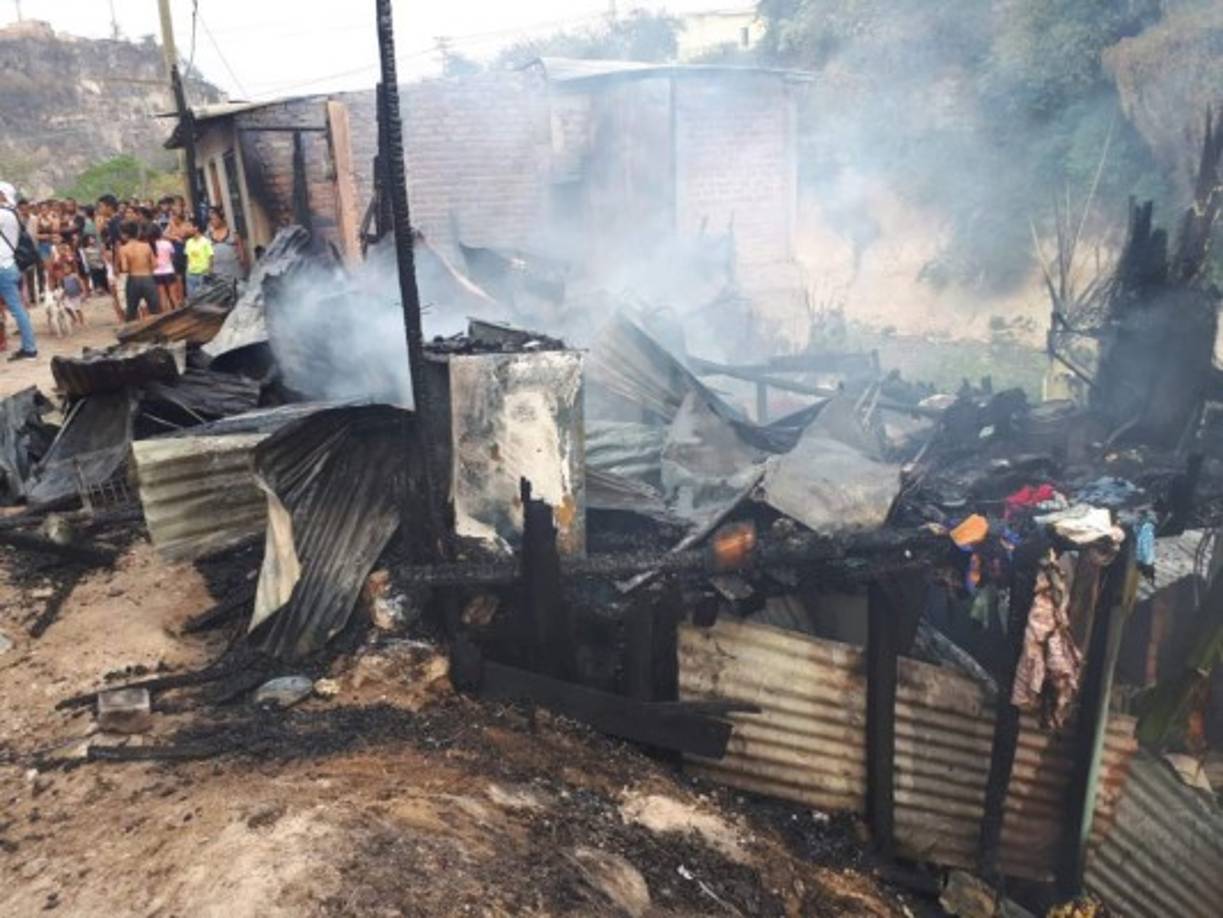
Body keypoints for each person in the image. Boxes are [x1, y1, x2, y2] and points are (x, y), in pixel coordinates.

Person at [0, 181, 38, 360]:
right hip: (9, 266)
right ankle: (29, 348)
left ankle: (29, 349)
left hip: (3, 267)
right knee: (17, 308)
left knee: (16, 309)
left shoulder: (3, 214)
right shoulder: (12, 214)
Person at [118, 220, 158, 321]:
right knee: (154, 310)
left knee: (131, 310)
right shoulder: (146, 246)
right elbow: (155, 264)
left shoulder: (123, 249)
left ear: (125, 235)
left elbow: (125, 268)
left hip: (133, 279)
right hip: (148, 278)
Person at [207, 208, 246, 281]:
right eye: (211, 219)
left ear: (221, 218)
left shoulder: (231, 232)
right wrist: (209, 270)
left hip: (234, 270)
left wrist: (242, 258)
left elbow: (240, 246)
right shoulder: (208, 236)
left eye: (215, 219)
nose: (213, 221)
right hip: (218, 272)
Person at [150, 224, 178, 311]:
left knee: (162, 296)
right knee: (173, 295)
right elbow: (172, 256)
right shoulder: (167, 243)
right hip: (169, 270)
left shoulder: (151, 246)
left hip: (157, 273)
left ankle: (165, 315)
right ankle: (177, 312)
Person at [183, 217, 213, 298]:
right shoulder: (188, 242)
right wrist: (187, 271)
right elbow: (188, 258)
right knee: (192, 299)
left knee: (204, 298)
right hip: (190, 274)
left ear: (196, 228)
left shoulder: (205, 242)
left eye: (189, 226)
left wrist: (208, 273)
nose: (186, 229)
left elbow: (210, 257)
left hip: (202, 274)